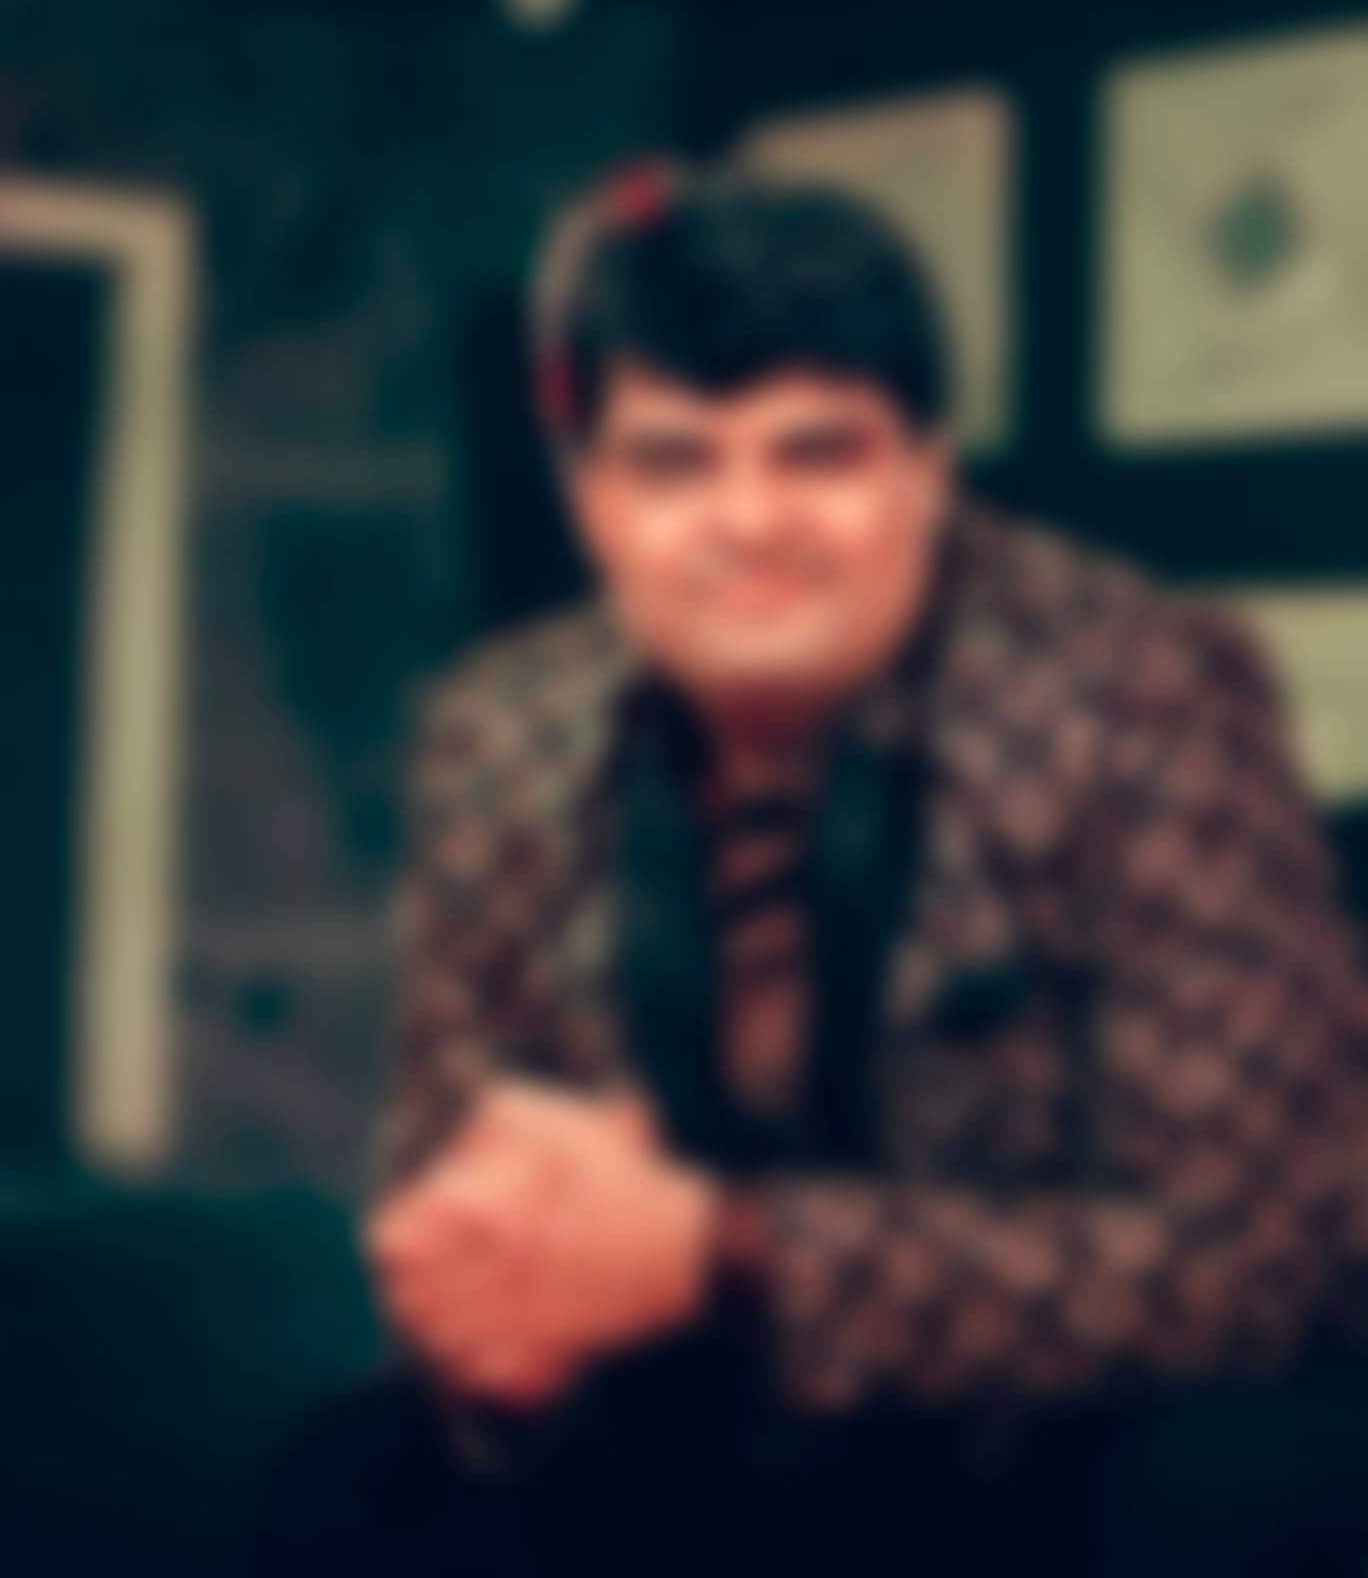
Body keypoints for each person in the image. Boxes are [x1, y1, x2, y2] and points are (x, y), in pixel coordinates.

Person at [255, 163, 1368, 1576]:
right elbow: (455, 1168)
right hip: (667, 1417)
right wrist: (485, 1311)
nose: (751, 523)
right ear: (590, 497)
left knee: (1228, 1488)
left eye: (817, 454)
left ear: (924, 471)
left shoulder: (1144, 694)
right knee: (345, 1482)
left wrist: (725, 1252)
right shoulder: (499, 730)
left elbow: (1251, 1264)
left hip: (1035, 1435)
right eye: (675, 462)